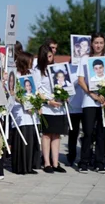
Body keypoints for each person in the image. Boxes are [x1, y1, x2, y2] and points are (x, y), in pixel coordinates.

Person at [77, 33, 105, 174]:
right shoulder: (85, 59)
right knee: (88, 132)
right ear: (91, 44)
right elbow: (81, 80)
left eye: (101, 42)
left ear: (104, 44)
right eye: (96, 42)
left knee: (101, 132)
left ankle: (100, 162)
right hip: (89, 101)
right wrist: (92, 94)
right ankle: (84, 162)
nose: (98, 45)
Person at [33, 44, 67, 174]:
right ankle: (47, 162)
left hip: (58, 107)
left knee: (57, 135)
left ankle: (55, 162)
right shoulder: (38, 70)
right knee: (47, 135)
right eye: (48, 56)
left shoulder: (57, 68)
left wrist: (64, 94)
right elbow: (37, 90)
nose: (50, 58)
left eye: (51, 56)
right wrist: (48, 101)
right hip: (46, 107)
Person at [11, 52, 41, 175]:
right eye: (30, 60)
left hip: (32, 111)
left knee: (31, 138)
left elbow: (35, 90)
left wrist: (37, 104)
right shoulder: (16, 74)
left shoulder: (31, 74)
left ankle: (29, 166)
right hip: (20, 111)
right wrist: (24, 103)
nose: (31, 62)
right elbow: (14, 92)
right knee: (22, 138)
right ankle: (20, 167)